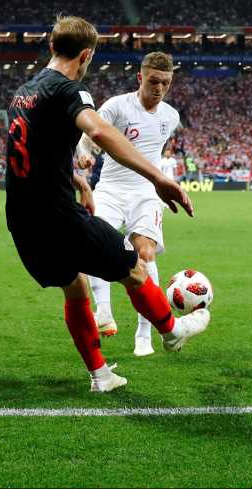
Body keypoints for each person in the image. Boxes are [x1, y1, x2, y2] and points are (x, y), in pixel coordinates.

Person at [4, 16, 209, 393]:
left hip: (20, 218)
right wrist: (159, 177)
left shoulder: (23, 91)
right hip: (58, 217)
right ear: (86, 55)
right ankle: (173, 329)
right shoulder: (69, 91)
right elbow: (97, 130)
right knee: (135, 269)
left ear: (52, 46)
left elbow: (35, 154)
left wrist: (79, 179)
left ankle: (101, 375)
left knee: (76, 288)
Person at [75, 51, 183, 356]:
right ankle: (104, 312)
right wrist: (86, 152)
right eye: (153, 81)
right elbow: (88, 135)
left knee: (145, 252)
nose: (159, 88)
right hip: (109, 189)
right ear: (140, 78)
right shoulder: (117, 106)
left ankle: (144, 334)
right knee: (95, 246)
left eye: (165, 83)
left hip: (147, 192)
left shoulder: (170, 116)